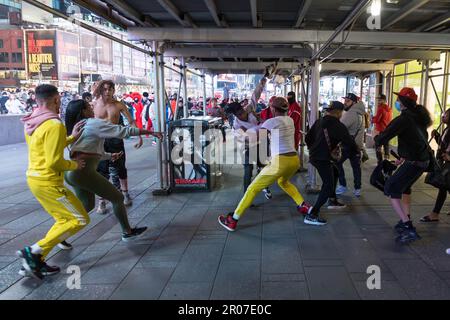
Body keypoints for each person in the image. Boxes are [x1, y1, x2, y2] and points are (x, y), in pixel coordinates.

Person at [64, 99, 162, 243]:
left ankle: (62, 235)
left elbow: (89, 150)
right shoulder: (93, 123)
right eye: (89, 106)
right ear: (83, 111)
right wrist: (150, 132)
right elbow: (123, 131)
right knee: (117, 198)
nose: (92, 108)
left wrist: (110, 156)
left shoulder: (77, 127)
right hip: (83, 172)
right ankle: (127, 232)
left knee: (88, 205)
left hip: (72, 172)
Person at [17, 84, 87, 279]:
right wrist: (75, 165)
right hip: (48, 182)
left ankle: (35, 260)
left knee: (64, 220)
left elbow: (45, 146)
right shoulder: (54, 124)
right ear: (56, 100)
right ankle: (32, 251)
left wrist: (71, 137)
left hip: (35, 178)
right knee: (79, 219)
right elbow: (54, 161)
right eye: (59, 101)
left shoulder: (33, 120)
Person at [218, 97, 311, 231]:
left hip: (280, 162)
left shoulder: (271, 121)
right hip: (294, 160)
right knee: (283, 182)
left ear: (273, 109)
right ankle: (302, 205)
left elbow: (253, 136)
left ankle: (232, 220)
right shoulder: (289, 120)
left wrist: (240, 133)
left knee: (252, 188)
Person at [374, 87, 432, 244]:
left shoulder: (404, 119)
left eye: (399, 100)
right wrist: (403, 157)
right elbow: (416, 141)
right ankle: (405, 219)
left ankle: (408, 228)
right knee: (405, 188)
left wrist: (377, 139)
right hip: (421, 161)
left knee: (392, 188)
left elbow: (385, 135)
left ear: (404, 103)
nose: (397, 102)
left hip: (414, 162)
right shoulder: (419, 118)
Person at [305, 101, 358, 225]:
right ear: (339, 112)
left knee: (334, 171)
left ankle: (332, 199)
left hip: (314, 156)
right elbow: (350, 143)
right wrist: (356, 152)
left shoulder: (319, 121)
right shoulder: (338, 126)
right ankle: (312, 214)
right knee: (328, 185)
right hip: (323, 158)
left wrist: (315, 147)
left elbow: (308, 138)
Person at [93, 80, 143, 212]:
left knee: (120, 168)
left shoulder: (119, 105)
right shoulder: (94, 105)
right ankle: (102, 201)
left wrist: (139, 136)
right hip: (100, 141)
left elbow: (131, 121)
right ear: (100, 90)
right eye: (104, 89)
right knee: (101, 171)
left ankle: (125, 194)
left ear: (114, 91)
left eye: (110, 89)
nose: (107, 92)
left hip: (116, 139)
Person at [420, 109, 450, 222]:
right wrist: (437, 137)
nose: (443, 116)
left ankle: (435, 213)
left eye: (446, 115)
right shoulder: (447, 129)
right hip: (444, 162)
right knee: (445, 186)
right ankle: (435, 213)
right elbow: (443, 145)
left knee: (443, 186)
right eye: (443, 114)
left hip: (448, 164)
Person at [336, 93, 365, 198]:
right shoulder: (360, 113)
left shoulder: (351, 113)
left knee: (337, 163)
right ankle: (358, 188)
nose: (345, 103)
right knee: (356, 167)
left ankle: (343, 185)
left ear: (354, 102)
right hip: (356, 145)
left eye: (348, 101)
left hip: (347, 145)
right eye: (345, 100)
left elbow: (339, 127)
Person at [372, 94, 392, 162]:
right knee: (386, 146)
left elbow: (377, 120)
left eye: (380, 100)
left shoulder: (381, 108)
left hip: (380, 130)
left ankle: (380, 162)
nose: (378, 101)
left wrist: (372, 119)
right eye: (378, 100)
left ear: (384, 100)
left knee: (378, 146)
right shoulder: (389, 109)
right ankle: (387, 161)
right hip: (387, 130)